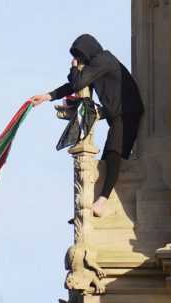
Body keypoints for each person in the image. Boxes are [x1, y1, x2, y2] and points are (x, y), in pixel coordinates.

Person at [31, 34, 144, 217]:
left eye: (79, 55)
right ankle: (94, 202)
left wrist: (74, 68)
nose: (78, 60)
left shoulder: (103, 60)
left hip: (127, 113)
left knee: (114, 155)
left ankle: (102, 201)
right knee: (111, 156)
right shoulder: (98, 64)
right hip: (118, 114)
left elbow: (78, 83)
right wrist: (47, 96)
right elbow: (74, 85)